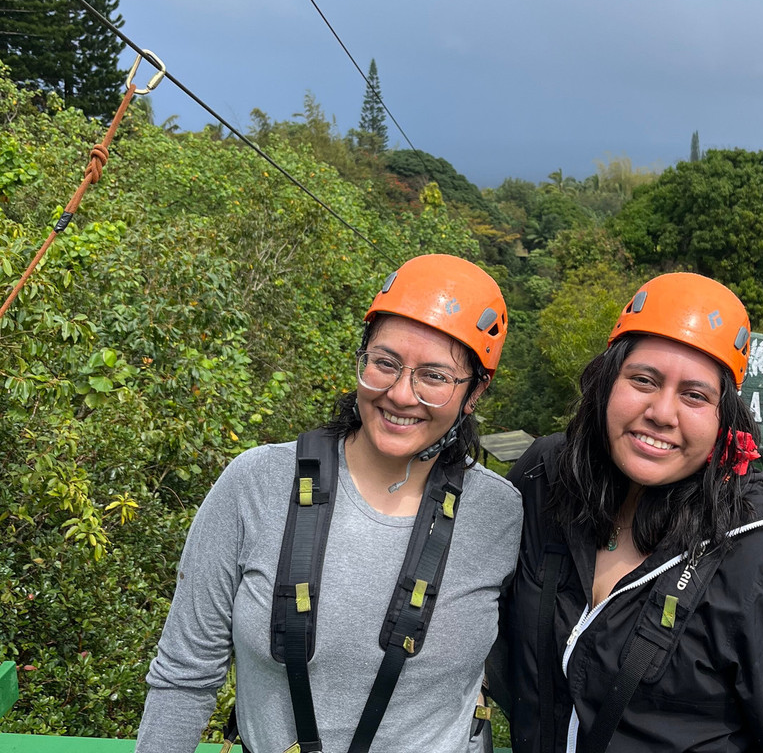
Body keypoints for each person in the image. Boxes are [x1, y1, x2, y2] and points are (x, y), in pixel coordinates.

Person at [135, 254, 523, 753]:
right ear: (361, 359)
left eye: (434, 376)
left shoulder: (501, 513)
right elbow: (185, 675)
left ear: (474, 393)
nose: (401, 394)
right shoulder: (257, 484)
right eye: (384, 363)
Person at [495, 272, 763, 753]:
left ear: (723, 418)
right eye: (643, 380)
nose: (662, 413)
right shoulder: (547, 478)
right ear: (607, 383)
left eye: (694, 395)